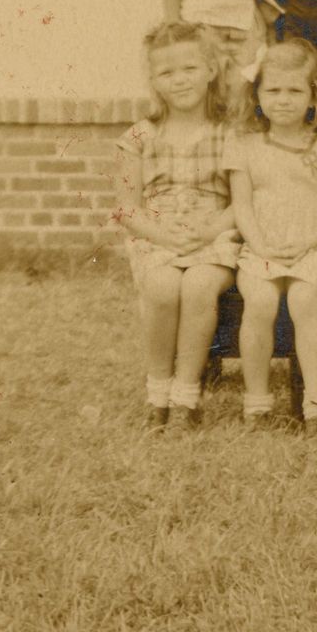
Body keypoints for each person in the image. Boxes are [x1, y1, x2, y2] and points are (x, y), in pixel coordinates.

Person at [112, 23, 241, 430]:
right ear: (153, 80)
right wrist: (163, 235)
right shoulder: (138, 137)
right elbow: (127, 208)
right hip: (158, 234)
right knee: (162, 286)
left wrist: (210, 230)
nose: (179, 80)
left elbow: (243, 203)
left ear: (211, 70)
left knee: (200, 284)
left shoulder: (230, 133)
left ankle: (187, 393)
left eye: (189, 68)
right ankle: (158, 391)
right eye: (167, 73)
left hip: (215, 232)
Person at [226, 39, 317, 432]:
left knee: (304, 300)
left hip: (313, 245)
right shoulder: (245, 145)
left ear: (313, 96)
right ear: (257, 95)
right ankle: (257, 403)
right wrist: (260, 244)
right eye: (273, 90)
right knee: (259, 301)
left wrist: (309, 242)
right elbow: (242, 205)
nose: (283, 100)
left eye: (295, 90)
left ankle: (316, 406)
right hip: (262, 244)